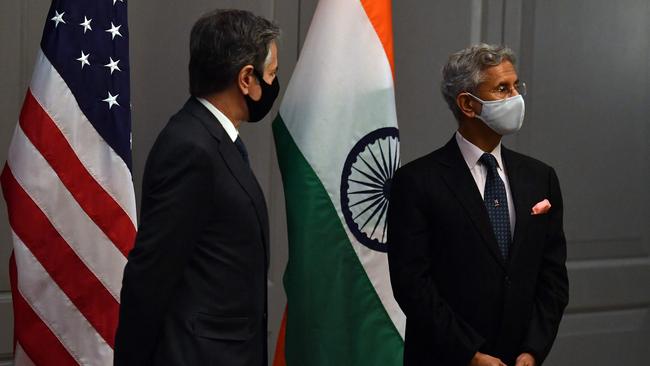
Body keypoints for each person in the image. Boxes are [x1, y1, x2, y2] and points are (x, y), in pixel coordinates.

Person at [114, 9, 280, 366]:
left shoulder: (216, 138)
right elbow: (150, 276)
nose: (273, 84)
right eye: (272, 74)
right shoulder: (190, 148)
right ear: (246, 78)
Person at [387, 44, 568, 366]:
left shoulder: (541, 177)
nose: (516, 97)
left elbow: (552, 275)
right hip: (446, 357)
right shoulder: (416, 182)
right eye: (502, 88)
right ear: (468, 105)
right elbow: (412, 283)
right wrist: (469, 354)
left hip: (518, 357)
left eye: (516, 86)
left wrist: (533, 349)